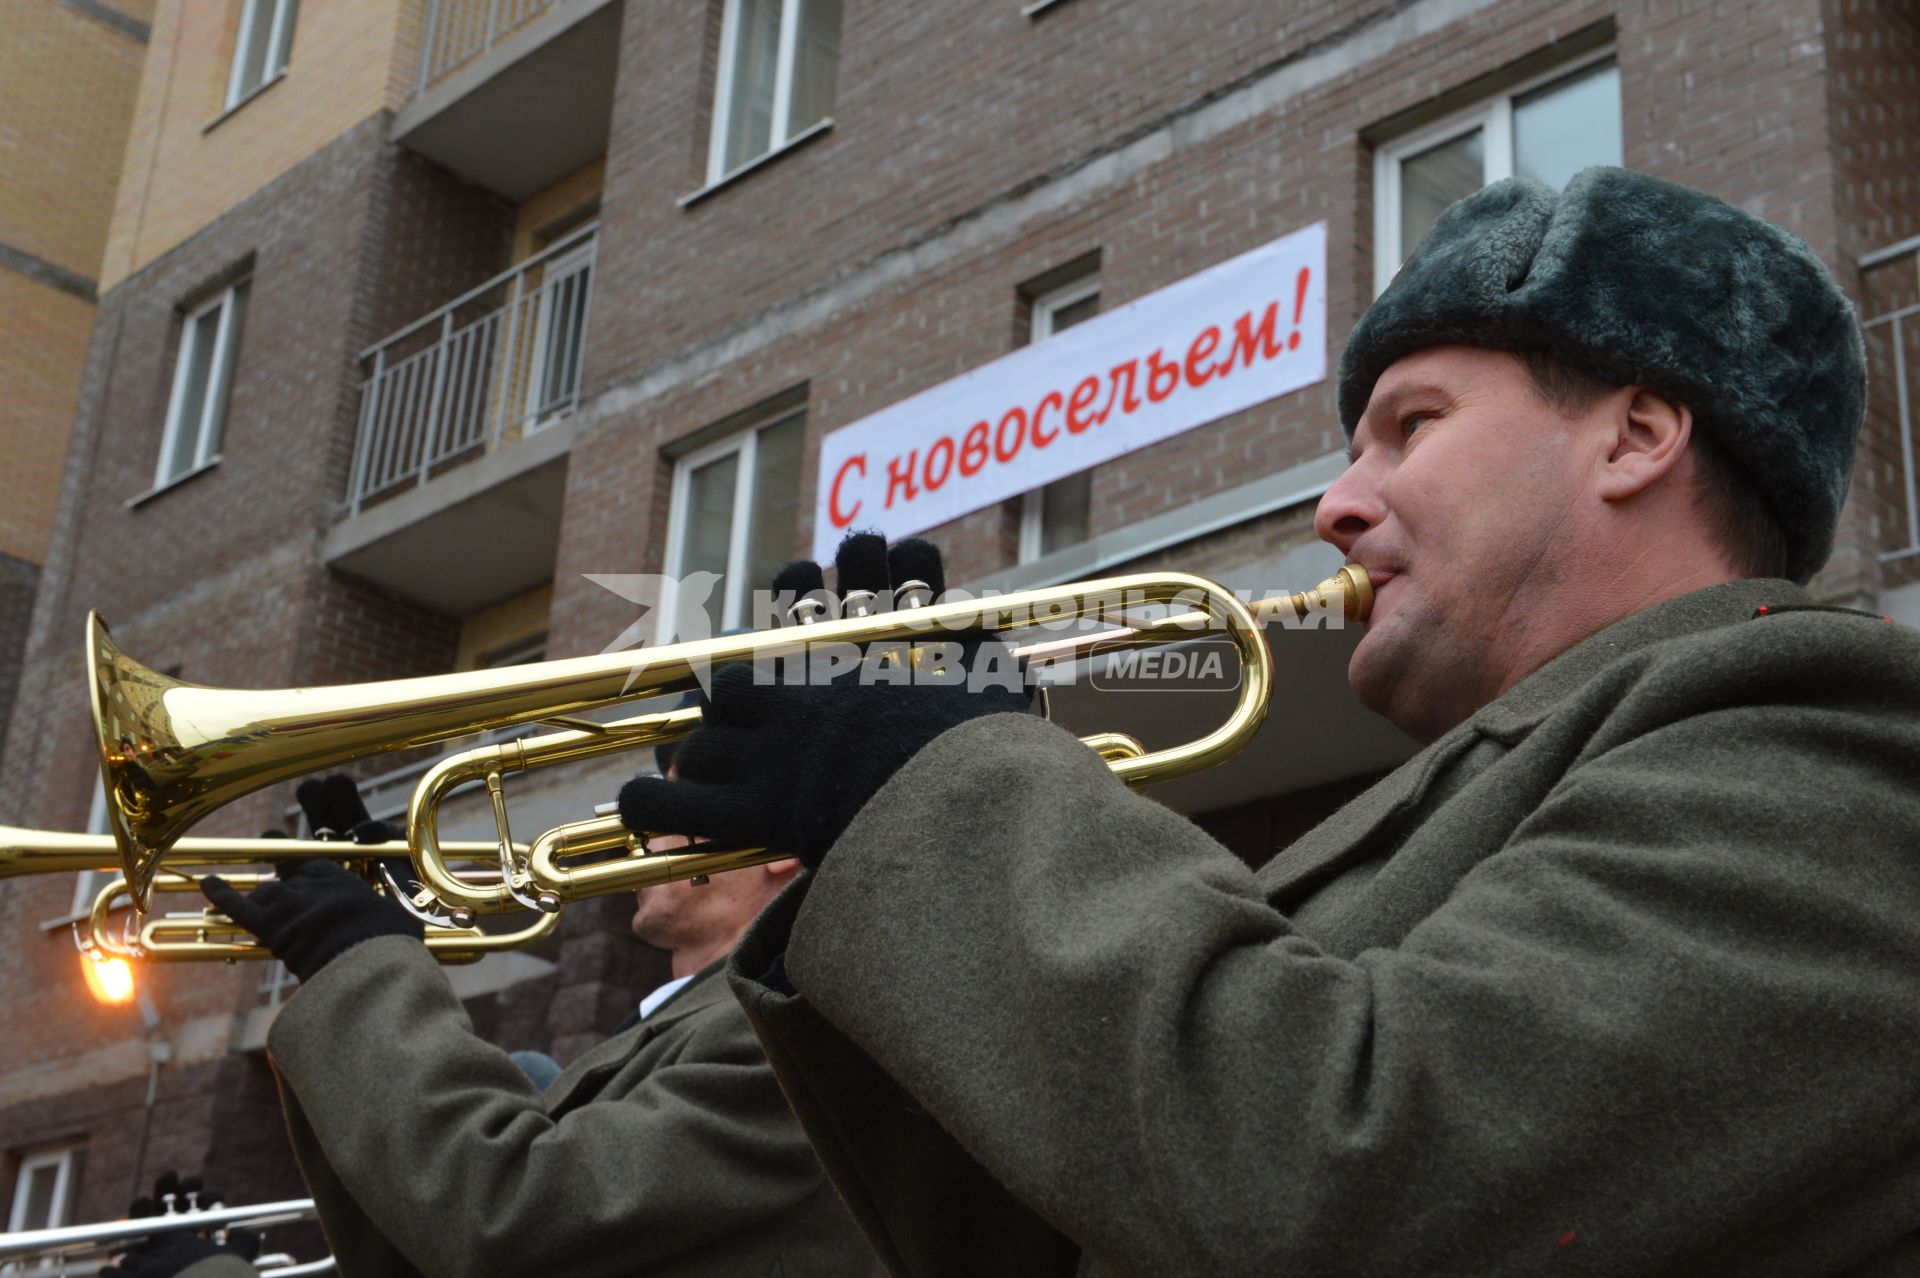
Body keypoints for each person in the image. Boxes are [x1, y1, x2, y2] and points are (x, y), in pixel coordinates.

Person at [616, 167, 1920, 1275]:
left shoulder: (1823, 728)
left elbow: (1355, 1179)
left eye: (1411, 426)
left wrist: (946, 780)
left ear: (1635, 435)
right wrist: (878, 838)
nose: (1335, 507)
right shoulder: (1508, 793)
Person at [180, 774, 878, 1278]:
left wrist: (363, 965)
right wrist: (369, 959)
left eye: (673, 794)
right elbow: (418, 1250)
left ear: (776, 846)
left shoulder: (789, 1032)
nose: (636, 824)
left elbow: (506, 1214)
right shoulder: (676, 1029)